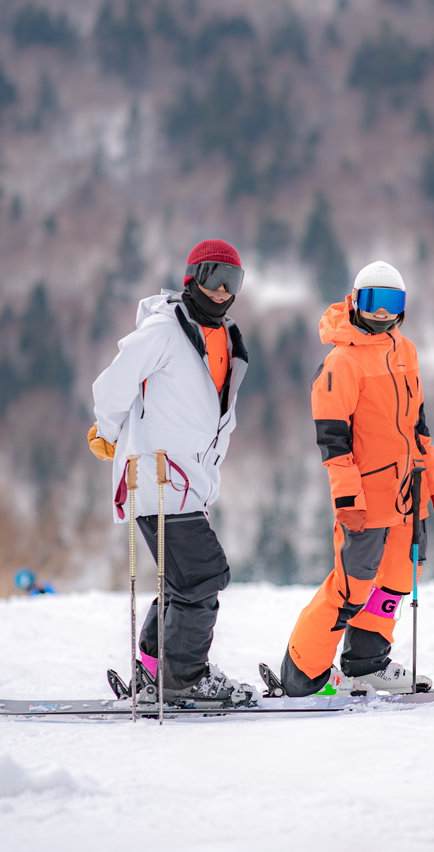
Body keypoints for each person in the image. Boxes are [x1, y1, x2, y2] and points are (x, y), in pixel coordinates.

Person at [280, 260, 434, 697]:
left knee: (398, 580)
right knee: (352, 587)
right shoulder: (340, 362)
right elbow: (333, 441)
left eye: (392, 303)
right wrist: (347, 497)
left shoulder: (407, 353)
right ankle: (302, 671)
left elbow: (419, 431)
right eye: (374, 302)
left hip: (409, 495)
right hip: (366, 498)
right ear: (356, 301)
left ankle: (366, 663)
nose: (382, 313)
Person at [88, 238, 256, 706]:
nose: (222, 291)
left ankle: (154, 670)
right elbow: (113, 384)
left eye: (233, 282)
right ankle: (184, 680)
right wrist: (107, 431)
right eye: (213, 278)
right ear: (191, 279)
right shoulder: (165, 330)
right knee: (203, 577)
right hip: (157, 481)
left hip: (188, 486)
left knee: (184, 582)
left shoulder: (227, 341)